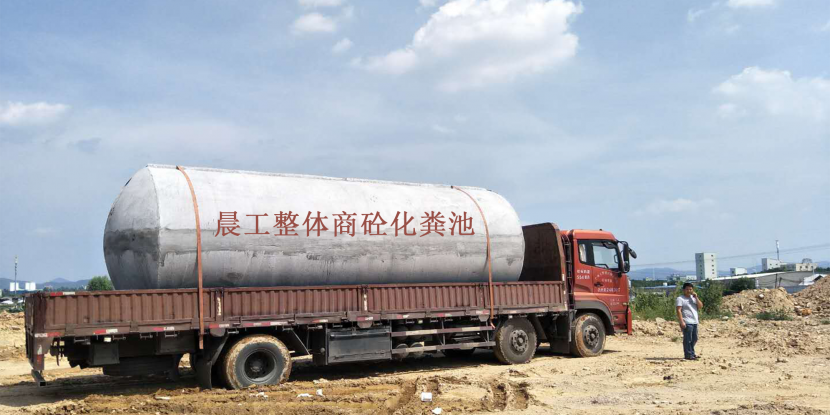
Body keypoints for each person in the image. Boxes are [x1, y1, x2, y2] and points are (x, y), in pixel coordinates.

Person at [676, 282, 703, 360]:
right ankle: (688, 355)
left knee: (694, 338)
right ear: (683, 290)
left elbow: (700, 306)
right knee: (688, 339)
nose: (689, 291)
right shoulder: (680, 298)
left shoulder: (693, 298)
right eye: (687, 289)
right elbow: (678, 310)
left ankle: (692, 353)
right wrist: (681, 321)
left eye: (690, 289)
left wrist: (696, 298)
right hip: (687, 321)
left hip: (694, 321)